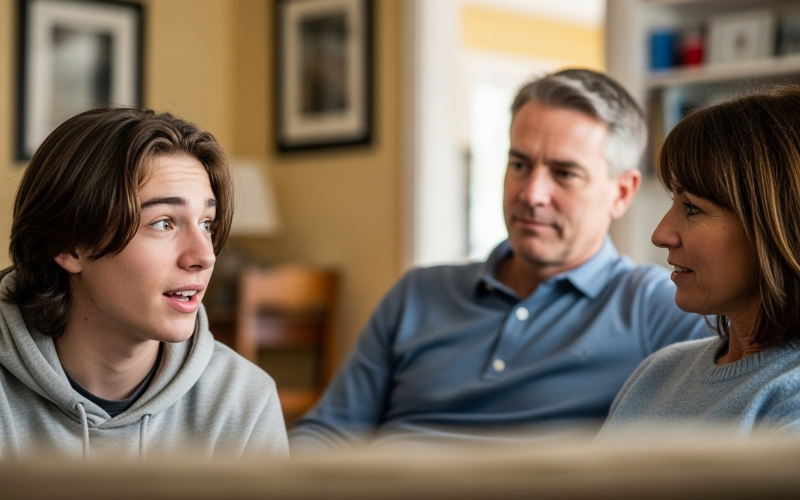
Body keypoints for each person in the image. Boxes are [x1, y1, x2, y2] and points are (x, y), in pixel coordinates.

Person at [290, 69, 709, 451]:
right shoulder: (418, 292)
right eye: (519, 164)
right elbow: (329, 432)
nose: (531, 193)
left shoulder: (662, 307)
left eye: (564, 173)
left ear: (621, 193)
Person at [0, 108, 289, 460]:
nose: (205, 256)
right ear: (67, 245)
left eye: (206, 224)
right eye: (164, 223)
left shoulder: (243, 401)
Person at [598, 87, 800, 439]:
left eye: (692, 208)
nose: (661, 234)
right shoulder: (659, 371)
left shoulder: (789, 397)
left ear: (778, 224)